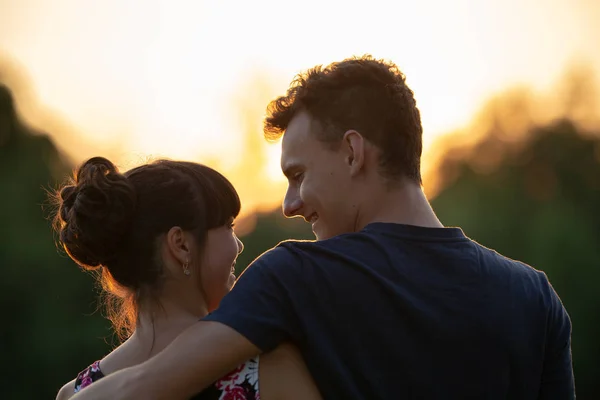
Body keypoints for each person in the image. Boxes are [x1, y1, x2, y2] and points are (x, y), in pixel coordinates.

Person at [71, 55, 575, 399]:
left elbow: (146, 385)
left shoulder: (295, 277)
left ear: (354, 153)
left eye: (298, 175)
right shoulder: (534, 299)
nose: (289, 205)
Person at [53, 157, 321, 399]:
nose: (238, 245)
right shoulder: (269, 370)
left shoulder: (78, 393)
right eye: (228, 226)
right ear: (180, 245)